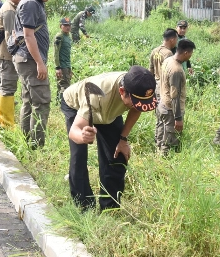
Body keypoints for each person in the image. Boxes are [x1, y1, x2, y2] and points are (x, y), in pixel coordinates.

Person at [61, 65, 157, 210]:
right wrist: (83, 136)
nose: (138, 105)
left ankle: (110, 206)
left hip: (109, 112)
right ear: (122, 91)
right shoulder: (96, 96)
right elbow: (74, 131)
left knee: (117, 155)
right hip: (77, 105)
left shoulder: (139, 86)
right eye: (135, 101)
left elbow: (137, 109)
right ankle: (84, 206)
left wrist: (123, 139)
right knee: (79, 155)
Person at [13, 0, 61, 148]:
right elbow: (28, 36)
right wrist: (40, 63)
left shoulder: (34, 2)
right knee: (41, 102)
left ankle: (27, 142)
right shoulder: (31, 4)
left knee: (28, 101)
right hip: (31, 60)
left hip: (27, 59)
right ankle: (36, 145)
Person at [0, 0, 27, 127]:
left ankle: (4, 121)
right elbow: (10, 38)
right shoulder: (9, 10)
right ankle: (5, 124)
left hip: (8, 55)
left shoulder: (15, 7)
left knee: (8, 87)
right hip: (7, 56)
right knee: (7, 88)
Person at [156, 39, 196, 155]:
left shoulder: (168, 60)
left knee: (160, 133)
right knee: (169, 140)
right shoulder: (176, 70)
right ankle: (165, 162)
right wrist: (178, 118)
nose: (190, 56)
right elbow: (175, 96)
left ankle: (158, 154)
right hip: (170, 109)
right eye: (190, 53)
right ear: (185, 53)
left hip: (162, 103)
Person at [148, 28, 178, 109]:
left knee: (158, 110)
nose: (176, 42)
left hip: (156, 84)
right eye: (176, 39)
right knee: (165, 110)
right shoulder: (168, 53)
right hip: (164, 86)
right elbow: (170, 73)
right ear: (172, 40)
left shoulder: (154, 51)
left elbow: (151, 70)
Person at [54, 17, 73, 102]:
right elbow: (56, 52)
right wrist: (58, 67)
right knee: (65, 86)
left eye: (69, 25)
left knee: (62, 85)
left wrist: (69, 68)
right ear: (60, 26)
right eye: (65, 25)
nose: (67, 27)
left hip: (67, 65)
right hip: (62, 66)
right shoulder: (59, 36)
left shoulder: (68, 37)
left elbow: (67, 54)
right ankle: (63, 104)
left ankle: (59, 103)